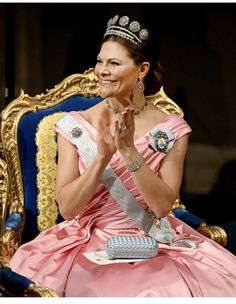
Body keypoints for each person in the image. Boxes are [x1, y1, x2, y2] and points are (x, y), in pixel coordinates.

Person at [10, 15, 236, 297]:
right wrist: (101, 158)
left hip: (154, 241)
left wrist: (129, 152)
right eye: (100, 61)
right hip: (87, 241)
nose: (101, 71)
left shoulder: (172, 129)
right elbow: (68, 209)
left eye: (114, 63)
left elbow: (163, 206)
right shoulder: (74, 124)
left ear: (142, 69)